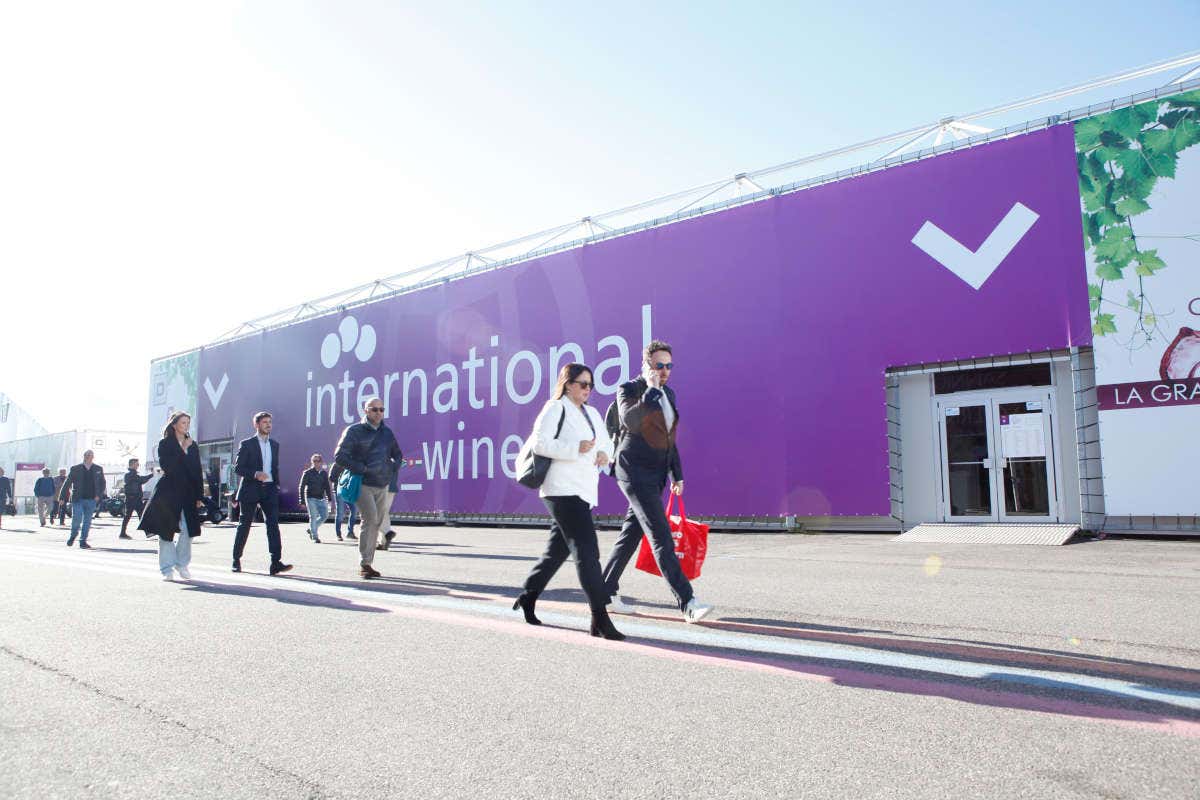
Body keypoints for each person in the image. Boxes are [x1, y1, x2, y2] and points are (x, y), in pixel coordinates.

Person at [600, 340, 713, 623]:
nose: (664, 371)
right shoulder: (629, 389)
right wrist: (650, 390)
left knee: (631, 535)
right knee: (661, 536)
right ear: (646, 365)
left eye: (669, 366)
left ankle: (604, 592)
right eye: (659, 365)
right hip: (633, 471)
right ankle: (688, 602)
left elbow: (669, 437)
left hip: (657, 473)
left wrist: (677, 473)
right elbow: (630, 420)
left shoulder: (669, 393)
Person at [511, 363, 624, 640]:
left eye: (590, 385)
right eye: (582, 384)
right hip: (560, 489)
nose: (587, 389)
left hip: (583, 489)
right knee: (587, 552)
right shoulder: (555, 408)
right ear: (568, 384)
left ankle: (528, 595)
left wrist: (604, 454)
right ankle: (599, 617)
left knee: (557, 551)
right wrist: (575, 448)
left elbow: (606, 442)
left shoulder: (592, 413)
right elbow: (540, 444)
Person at [332, 397, 402, 578]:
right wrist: (361, 468)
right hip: (362, 483)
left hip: (382, 483)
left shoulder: (387, 433)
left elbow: (398, 454)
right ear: (366, 411)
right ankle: (365, 564)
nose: (378, 413)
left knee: (377, 521)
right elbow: (339, 456)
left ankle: (368, 562)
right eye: (374, 409)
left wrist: (391, 469)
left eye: (381, 409)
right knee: (370, 518)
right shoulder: (354, 431)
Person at [138, 412, 205, 580]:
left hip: (188, 492)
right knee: (165, 530)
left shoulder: (193, 445)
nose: (186, 426)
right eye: (183, 422)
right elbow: (168, 467)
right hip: (168, 492)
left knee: (189, 530)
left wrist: (199, 495)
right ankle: (167, 568)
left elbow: (197, 471)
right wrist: (183, 449)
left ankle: (182, 564)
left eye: (188, 423)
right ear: (174, 425)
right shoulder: (165, 444)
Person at [231, 411, 292, 575]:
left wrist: (276, 484)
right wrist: (255, 474)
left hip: (269, 489)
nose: (268, 425)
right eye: (265, 422)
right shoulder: (247, 444)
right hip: (251, 488)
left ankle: (275, 563)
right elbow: (238, 468)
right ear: (256, 424)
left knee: (273, 525)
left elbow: (274, 467)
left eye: (270, 422)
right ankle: (236, 560)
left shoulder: (274, 445)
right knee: (245, 525)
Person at [60, 450, 106, 548]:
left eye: (91, 455)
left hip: (92, 499)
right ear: (84, 456)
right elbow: (67, 483)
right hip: (78, 498)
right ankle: (73, 535)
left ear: (93, 457)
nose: (89, 457)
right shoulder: (76, 468)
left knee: (87, 521)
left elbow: (103, 483)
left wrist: (99, 495)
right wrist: (62, 497)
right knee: (77, 518)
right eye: (87, 455)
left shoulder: (98, 469)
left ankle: (83, 541)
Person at [298, 453, 333, 543]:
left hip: (321, 498)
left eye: (318, 461)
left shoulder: (324, 473)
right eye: (314, 461)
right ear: (312, 462)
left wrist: (329, 498)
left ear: (321, 462)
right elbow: (301, 487)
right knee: (313, 517)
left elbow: (327, 486)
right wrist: (302, 501)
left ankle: (311, 529)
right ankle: (315, 536)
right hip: (310, 498)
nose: (316, 463)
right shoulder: (307, 473)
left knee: (325, 516)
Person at [119, 458, 153, 539]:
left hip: (136, 499)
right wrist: (151, 475)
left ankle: (147, 532)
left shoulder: (133, 474)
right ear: (132, 464)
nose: (138, 465)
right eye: (137, 464)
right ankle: (122, 533)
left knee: (140, 515)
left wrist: (151, 475)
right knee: (129, 516)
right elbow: (141, 479)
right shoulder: (129, 474)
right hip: (131, 499)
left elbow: (141, 480)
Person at [329, 461, 357, 541]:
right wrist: (342, 480)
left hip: (349, 491)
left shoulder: (351, 464)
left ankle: (350, 533)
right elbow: (331, 477)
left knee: (354, 511)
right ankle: (338, 534)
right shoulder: (336, 464)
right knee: (340, 513)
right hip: (339, 491)